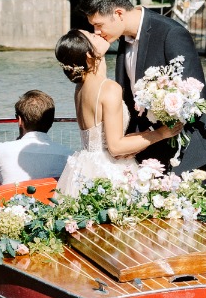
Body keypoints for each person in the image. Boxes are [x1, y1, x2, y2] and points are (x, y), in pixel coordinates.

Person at [83, 0, 206, 176]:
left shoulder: (171, 33)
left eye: (98, 25)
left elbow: (196, 96)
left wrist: (164, 112)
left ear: (118, 13)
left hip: (184, 151)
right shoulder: (122, 39)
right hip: (146, 151)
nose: (96, 31)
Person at [52, 30, 178, 194]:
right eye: (92, 36)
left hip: (85, 165)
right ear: (89, 55)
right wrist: (161, 133)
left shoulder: (81, 87)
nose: (97, 33)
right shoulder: (108, 88)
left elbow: (100, 138)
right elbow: (116, 147)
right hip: (108, 170)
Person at [0, 89, 70, 189]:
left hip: (13, 203)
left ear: (19, 120)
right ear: (51, 121)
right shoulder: (68, 155)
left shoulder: (0, 150)